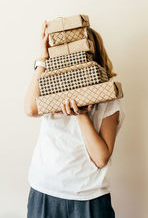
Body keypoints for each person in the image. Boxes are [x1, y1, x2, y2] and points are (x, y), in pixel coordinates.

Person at [24, 20, 125, 218]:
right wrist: (42, 59)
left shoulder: (108, 98)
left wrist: (82, 115)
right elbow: (30, 109)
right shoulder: (49, 87)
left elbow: (101, 157)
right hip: (45, 189)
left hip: (88, 196)